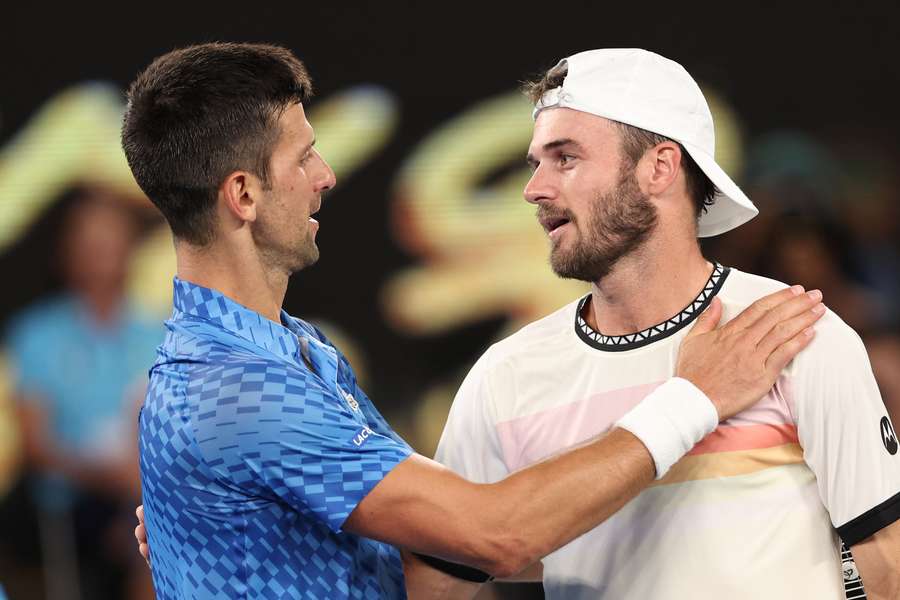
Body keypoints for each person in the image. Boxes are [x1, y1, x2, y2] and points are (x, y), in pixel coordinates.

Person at [123, 43, 823, 599]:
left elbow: (427, 560)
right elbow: (493, 536)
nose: (327, 175)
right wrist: (695, 396)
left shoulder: (294, 349)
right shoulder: (237, 392)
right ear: (242, 194)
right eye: (304, 156)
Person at [423, 49, 900, 599]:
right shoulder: (502, 376)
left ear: (660, 167)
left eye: (566, 157)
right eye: (536, 163)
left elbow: (885, 566)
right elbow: (437, 582)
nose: (534, 189)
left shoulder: (792, 335)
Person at [7, 188, 161, 599]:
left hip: (144, 492)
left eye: (111, 240)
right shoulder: (36, 335)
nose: (101, 253)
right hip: (74, 503)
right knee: (151, 527)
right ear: (67, 251)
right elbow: (37, 448)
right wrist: (108, 476)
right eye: (89, 242)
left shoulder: (159, 335)